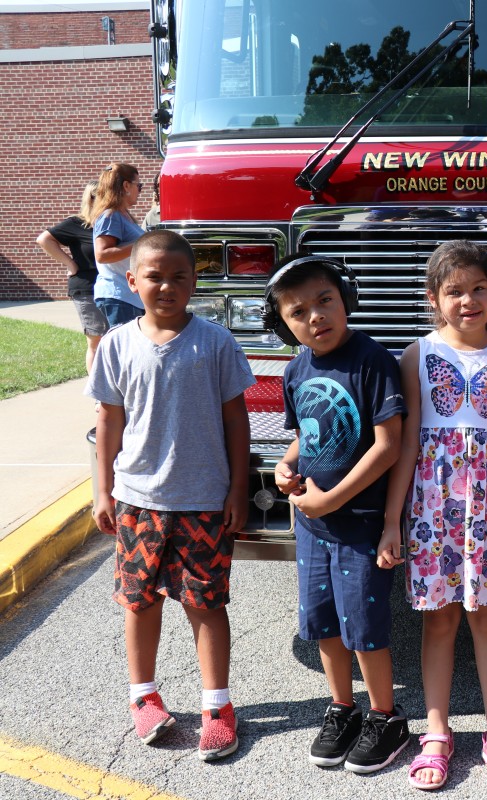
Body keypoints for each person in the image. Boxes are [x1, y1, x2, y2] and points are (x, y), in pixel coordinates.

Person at [85, 230, 254, 761]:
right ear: (131, 280)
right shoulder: (115, 344)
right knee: (140, 603)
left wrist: (238, 488)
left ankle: (217, 706)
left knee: (206, 605)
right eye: (154, 276)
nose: (167, 285)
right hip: (137, 498)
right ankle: (144, 697)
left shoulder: (216, 342)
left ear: (194, 282)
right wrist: (102, 488)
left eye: (179, 276)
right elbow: (108, 420)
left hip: (204, 498)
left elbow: (237, 420)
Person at [381, 240, 487, 793]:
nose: (468, 300)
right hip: (432, 511)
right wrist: (393, 518)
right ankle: (437, 732)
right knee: (438, 619)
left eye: (478, 289)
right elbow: (405, 443)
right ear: (433, 299)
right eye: (454, 291)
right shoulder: (417, 356)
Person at [264, 256, 410, 773]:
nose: (316, 316)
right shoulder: (296, 368)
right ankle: (342, 707)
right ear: (284, 322)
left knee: (363, 623)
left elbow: (388, 446)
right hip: (312, 526)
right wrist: (286, 466)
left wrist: (332, 499)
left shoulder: (372, 360)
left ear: (345, 298)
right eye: (298, 310)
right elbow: (305, 434)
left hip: (359, 522)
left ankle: (386, 716)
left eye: (325, 301)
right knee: (323, 621)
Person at [36, 181, 107, 372]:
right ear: (91, 198)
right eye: (103, 195)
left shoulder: (114, 222)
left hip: (114, 288)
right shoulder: (77, 223)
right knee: (96, 340)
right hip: (87, 288)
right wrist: (70, 263)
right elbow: (44, 239)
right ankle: (99, 396)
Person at [87, 162, 146, 327]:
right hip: (119, 296)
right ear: (126, 185)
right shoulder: (110, 216)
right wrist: (144, 243)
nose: (140, 191)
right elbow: (103, 254)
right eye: (139, 186)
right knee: (124, 350)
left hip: (128, 297)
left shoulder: (122, 215)